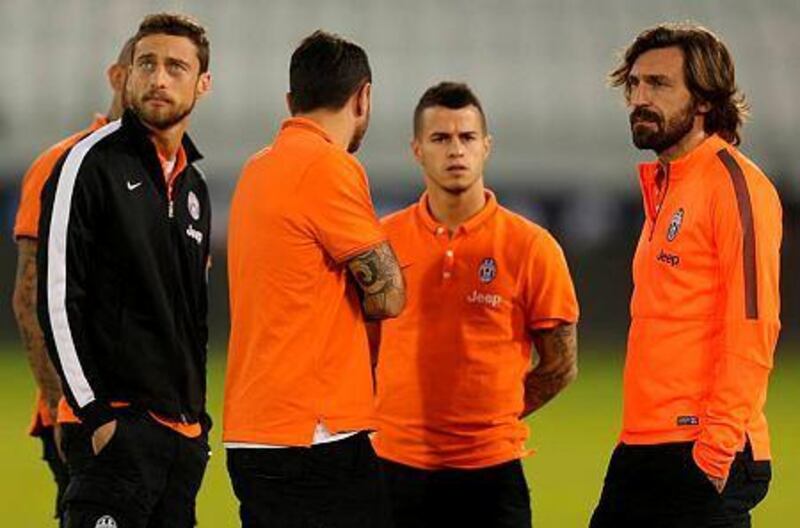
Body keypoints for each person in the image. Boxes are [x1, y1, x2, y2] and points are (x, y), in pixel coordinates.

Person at [590, 23, 781, 528]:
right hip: (643, 445)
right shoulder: (667, 187)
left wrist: (715, 449)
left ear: (703, 99)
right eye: (633, 85)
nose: (639, 98)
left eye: (658, 84)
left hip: (700, 449)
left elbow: (754, 324)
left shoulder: (736, 185)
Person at [371, 81, 579, 528]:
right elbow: (358, 350)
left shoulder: (531, 247)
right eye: (440, 139)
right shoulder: (381, 243)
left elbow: (560, 365)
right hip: (393, 470)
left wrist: (487, 415)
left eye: (466, 138)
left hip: (491, 474)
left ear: (486, 147)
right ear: (417, 150)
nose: (455, 151)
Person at [37, 12, 213, 528]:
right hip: (114, 431)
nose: (159, 78)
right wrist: (96, 415)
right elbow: (55, 298)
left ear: (202, 84)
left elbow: (193, 315)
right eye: (147, 63)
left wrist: (197, 425)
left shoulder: (194, 188)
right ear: (128, 73)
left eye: (176, 67)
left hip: (180, 443)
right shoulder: (85, 162)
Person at [224, 30, 405, 528]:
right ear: (363, 96)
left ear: (290, 100)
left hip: (255, 428)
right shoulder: (329, 165)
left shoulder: (257, 169)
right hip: (313, 433)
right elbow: (390, 294)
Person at [11, 36, 134, 526]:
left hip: (152, 422)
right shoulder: (60, 165)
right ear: (118, 76)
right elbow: (28, 300)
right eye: (144, 66)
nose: (157, 81)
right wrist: (64, 404)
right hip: (84, 417)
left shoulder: (170, 174)